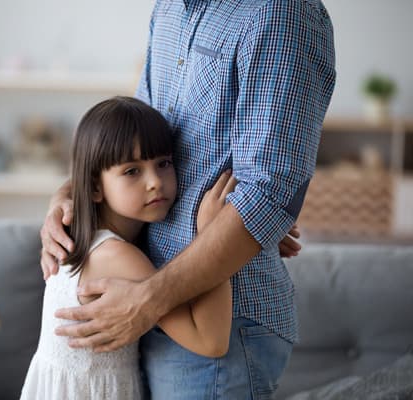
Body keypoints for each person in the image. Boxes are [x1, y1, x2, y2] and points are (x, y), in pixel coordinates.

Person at [40, 0, 336, 398]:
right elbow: (135, 139)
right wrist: (65, 198)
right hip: (152, 307)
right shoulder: (169, 11)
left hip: (218, 321)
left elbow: (268, 194)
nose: (154, 183)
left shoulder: (280, 12)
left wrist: (148, 299)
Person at [21, 96, 237, 399]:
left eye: (163, 164)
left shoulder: (91, 235)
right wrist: (216, 234)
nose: (154, 182)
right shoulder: (117, 256)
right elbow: (211, 341)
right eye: (132, 171)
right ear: (96, 187)